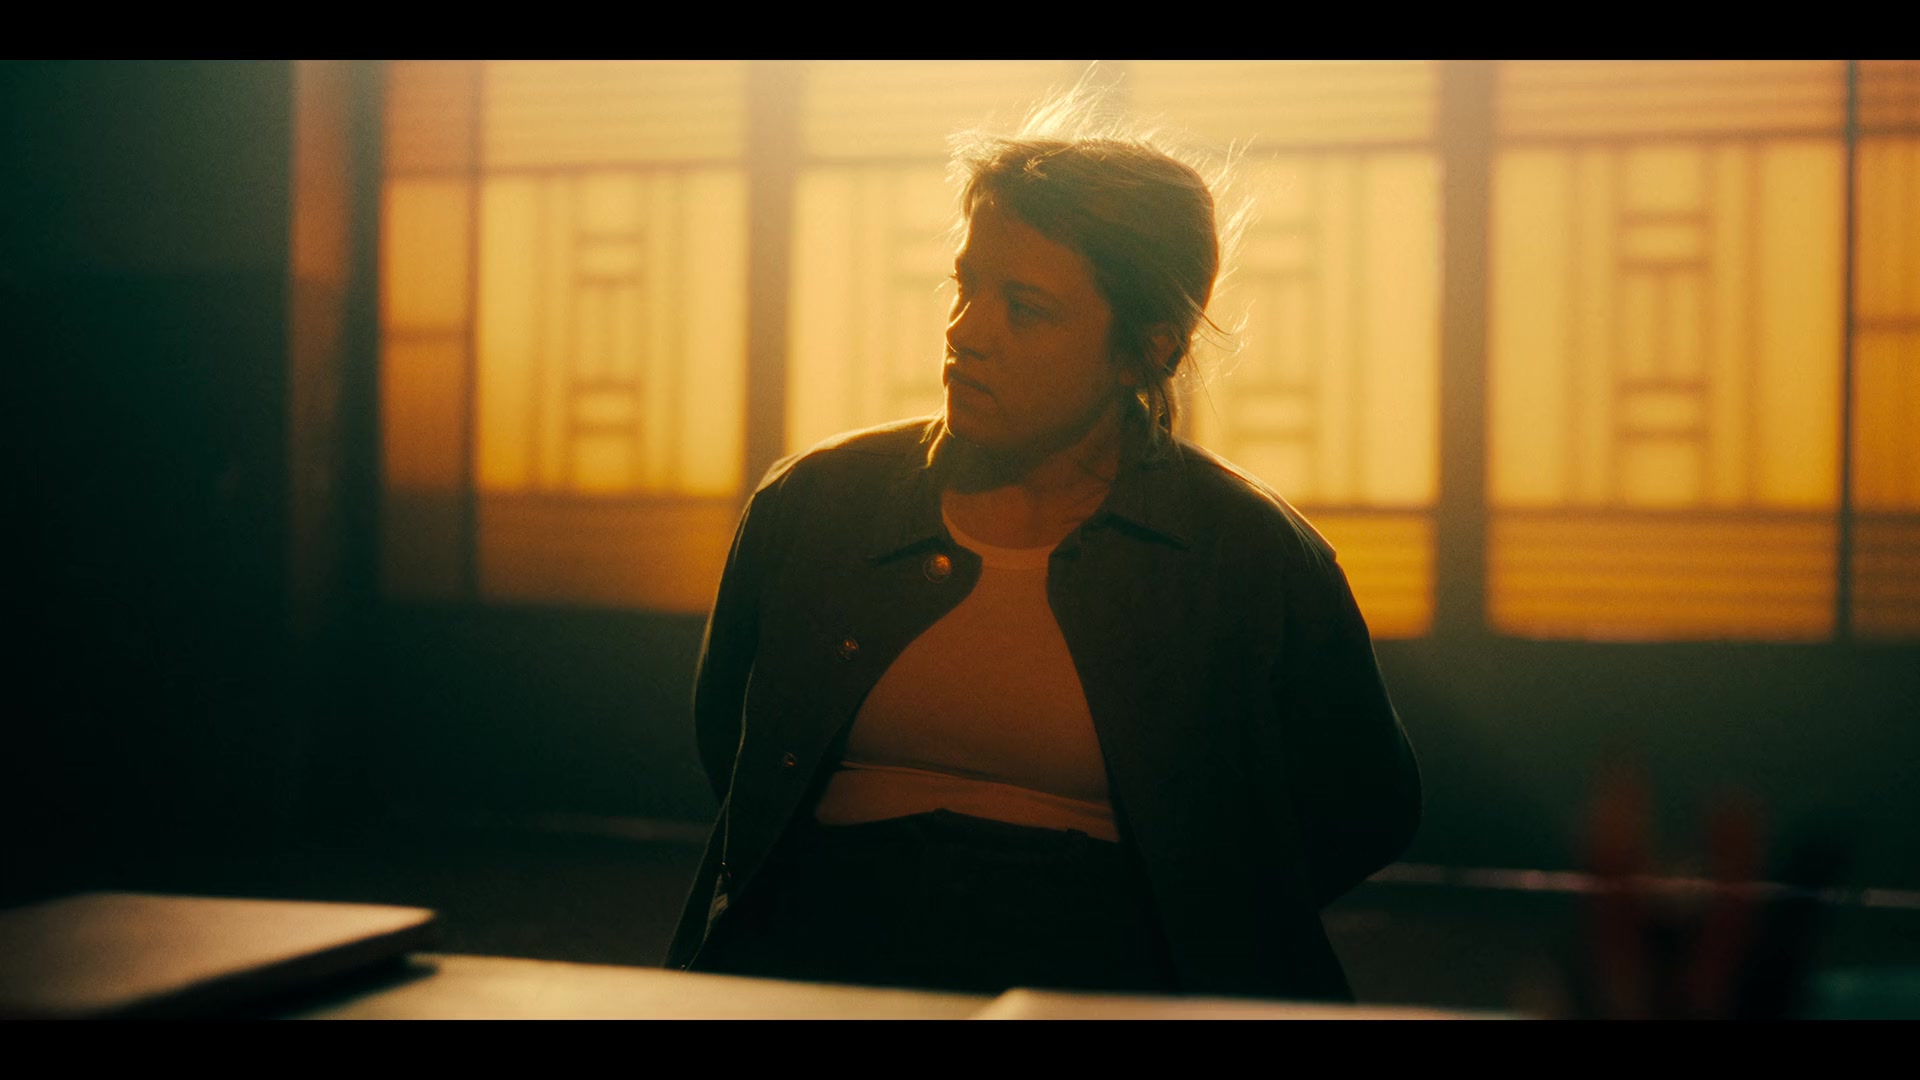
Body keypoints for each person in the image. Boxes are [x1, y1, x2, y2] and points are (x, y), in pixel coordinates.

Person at [663, 95, 1421, 1001]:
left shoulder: (1246, 556)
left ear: (1146, 352)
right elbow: (735, 740)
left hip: (1100, 977)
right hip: (822, 958)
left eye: (1024, 309)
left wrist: (1202, 915)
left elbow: (1365, 805)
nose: (965, 330)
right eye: (965, 285)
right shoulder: (819, 505)